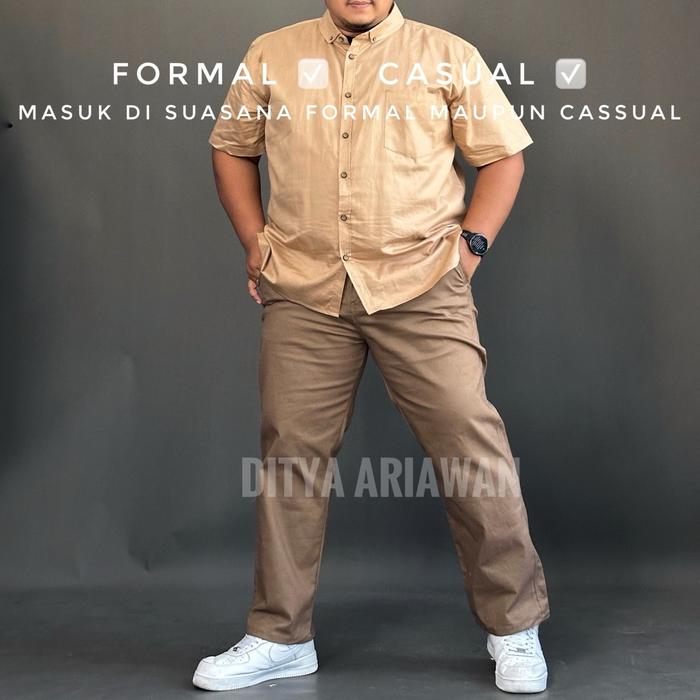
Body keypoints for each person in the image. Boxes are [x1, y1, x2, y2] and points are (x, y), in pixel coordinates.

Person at [194, 0, 550, 693]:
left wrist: (468, 252)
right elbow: (232, 146)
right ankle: (279, 636)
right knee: (291, 455)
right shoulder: (272, 52)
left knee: (470, 445)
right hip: (304, 288)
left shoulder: (447, 55)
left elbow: (503, 156)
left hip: (421, 283)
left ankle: (514, 628)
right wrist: (254, 241)